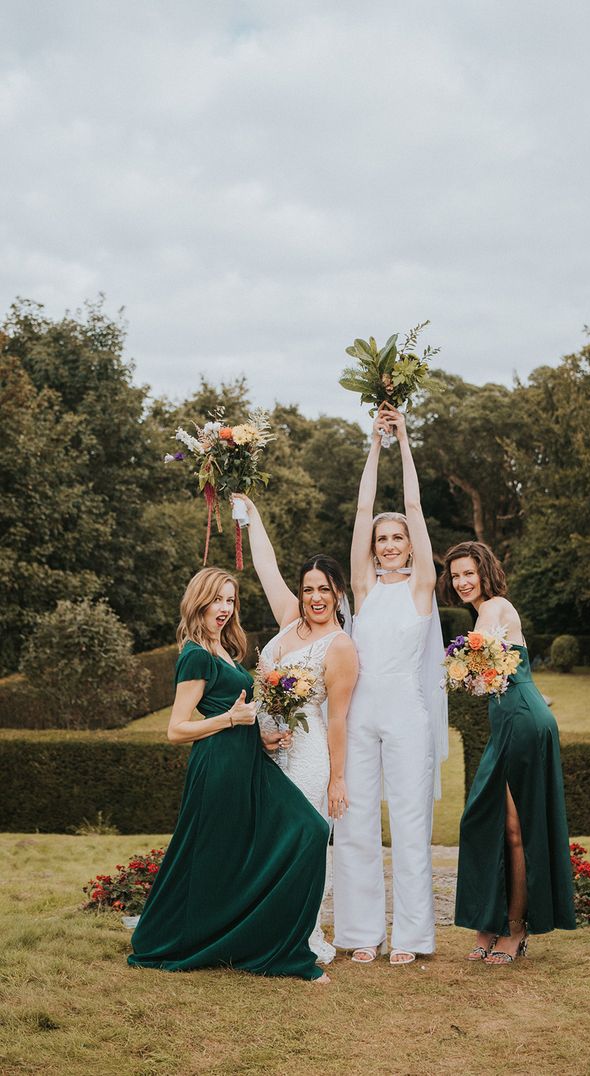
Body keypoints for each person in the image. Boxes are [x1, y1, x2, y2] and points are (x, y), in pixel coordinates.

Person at [128, 566, 330, 982]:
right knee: (220, 855)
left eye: (230, 600)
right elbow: (176, 729)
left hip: (249, 761)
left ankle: (259, 937)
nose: (224, 608)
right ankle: (230, 943)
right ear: (199, 602)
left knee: (307, 830)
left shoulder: (225, 649)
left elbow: (238, 713)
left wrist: (260, 739)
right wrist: (231, 720)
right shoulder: (196, 655)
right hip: (218, 767)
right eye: (217, 599)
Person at [333, 402, 448, 966]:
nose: (388, 543)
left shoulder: (423, 586)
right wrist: (372, 441)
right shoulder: (363, 587)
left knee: (408, 823)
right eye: (382, 538)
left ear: (409, 543)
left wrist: (403, 437)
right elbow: (361, 508)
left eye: (396, 536)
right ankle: (359, 933)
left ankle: (411, 938)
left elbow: (415, 504)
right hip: (360, 713)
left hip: (407, 713)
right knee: (353, 821)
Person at [236, 494, 359, 965]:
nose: (315, 597)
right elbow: (266, 567)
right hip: (263, 749)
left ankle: (300, 934)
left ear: (338, 593)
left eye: (324, 588)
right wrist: (253, 515)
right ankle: (262, 929)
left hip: (307, 756)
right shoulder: (290, 620)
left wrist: (337, 779)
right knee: (265, 841)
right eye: (309, 588)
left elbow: (338, 717)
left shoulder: (341, 646)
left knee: (303, 844)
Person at [440, 540, 576, 964]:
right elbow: (483, 674)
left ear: (484, 573)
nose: (462, 581)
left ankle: (515, 931)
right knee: (484, 819)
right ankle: (490, 921)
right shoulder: (484, 611)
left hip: (523, 720)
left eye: (469, 573)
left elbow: (478, 654)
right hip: (508, 722)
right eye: (456, 574)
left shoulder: (494, 607)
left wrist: (457, 663)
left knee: (515, 829)